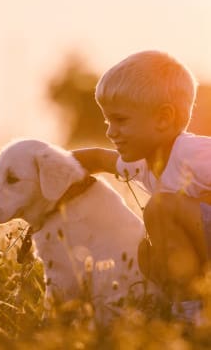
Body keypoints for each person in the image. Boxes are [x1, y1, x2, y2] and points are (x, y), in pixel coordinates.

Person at [72, 50, 211, 309]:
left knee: (160, 208)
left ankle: (191, 310)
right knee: (147, 254)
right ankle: (190, 305)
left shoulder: (192, 153)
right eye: (107, 120)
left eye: (120, 120)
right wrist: (48, 167)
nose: (110, 132)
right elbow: (97, 158)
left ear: (163, 118)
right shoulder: (142, 164)